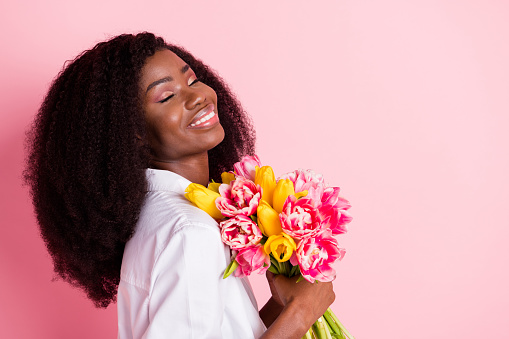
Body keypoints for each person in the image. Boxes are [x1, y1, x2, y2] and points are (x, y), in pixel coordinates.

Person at [24, 32, 335, 338]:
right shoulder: (190, 231)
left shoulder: (163, 215)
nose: (198, 96)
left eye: (193, 80)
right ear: (131, 133)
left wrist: (284, 308)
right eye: (167, 96)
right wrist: (300, 314)